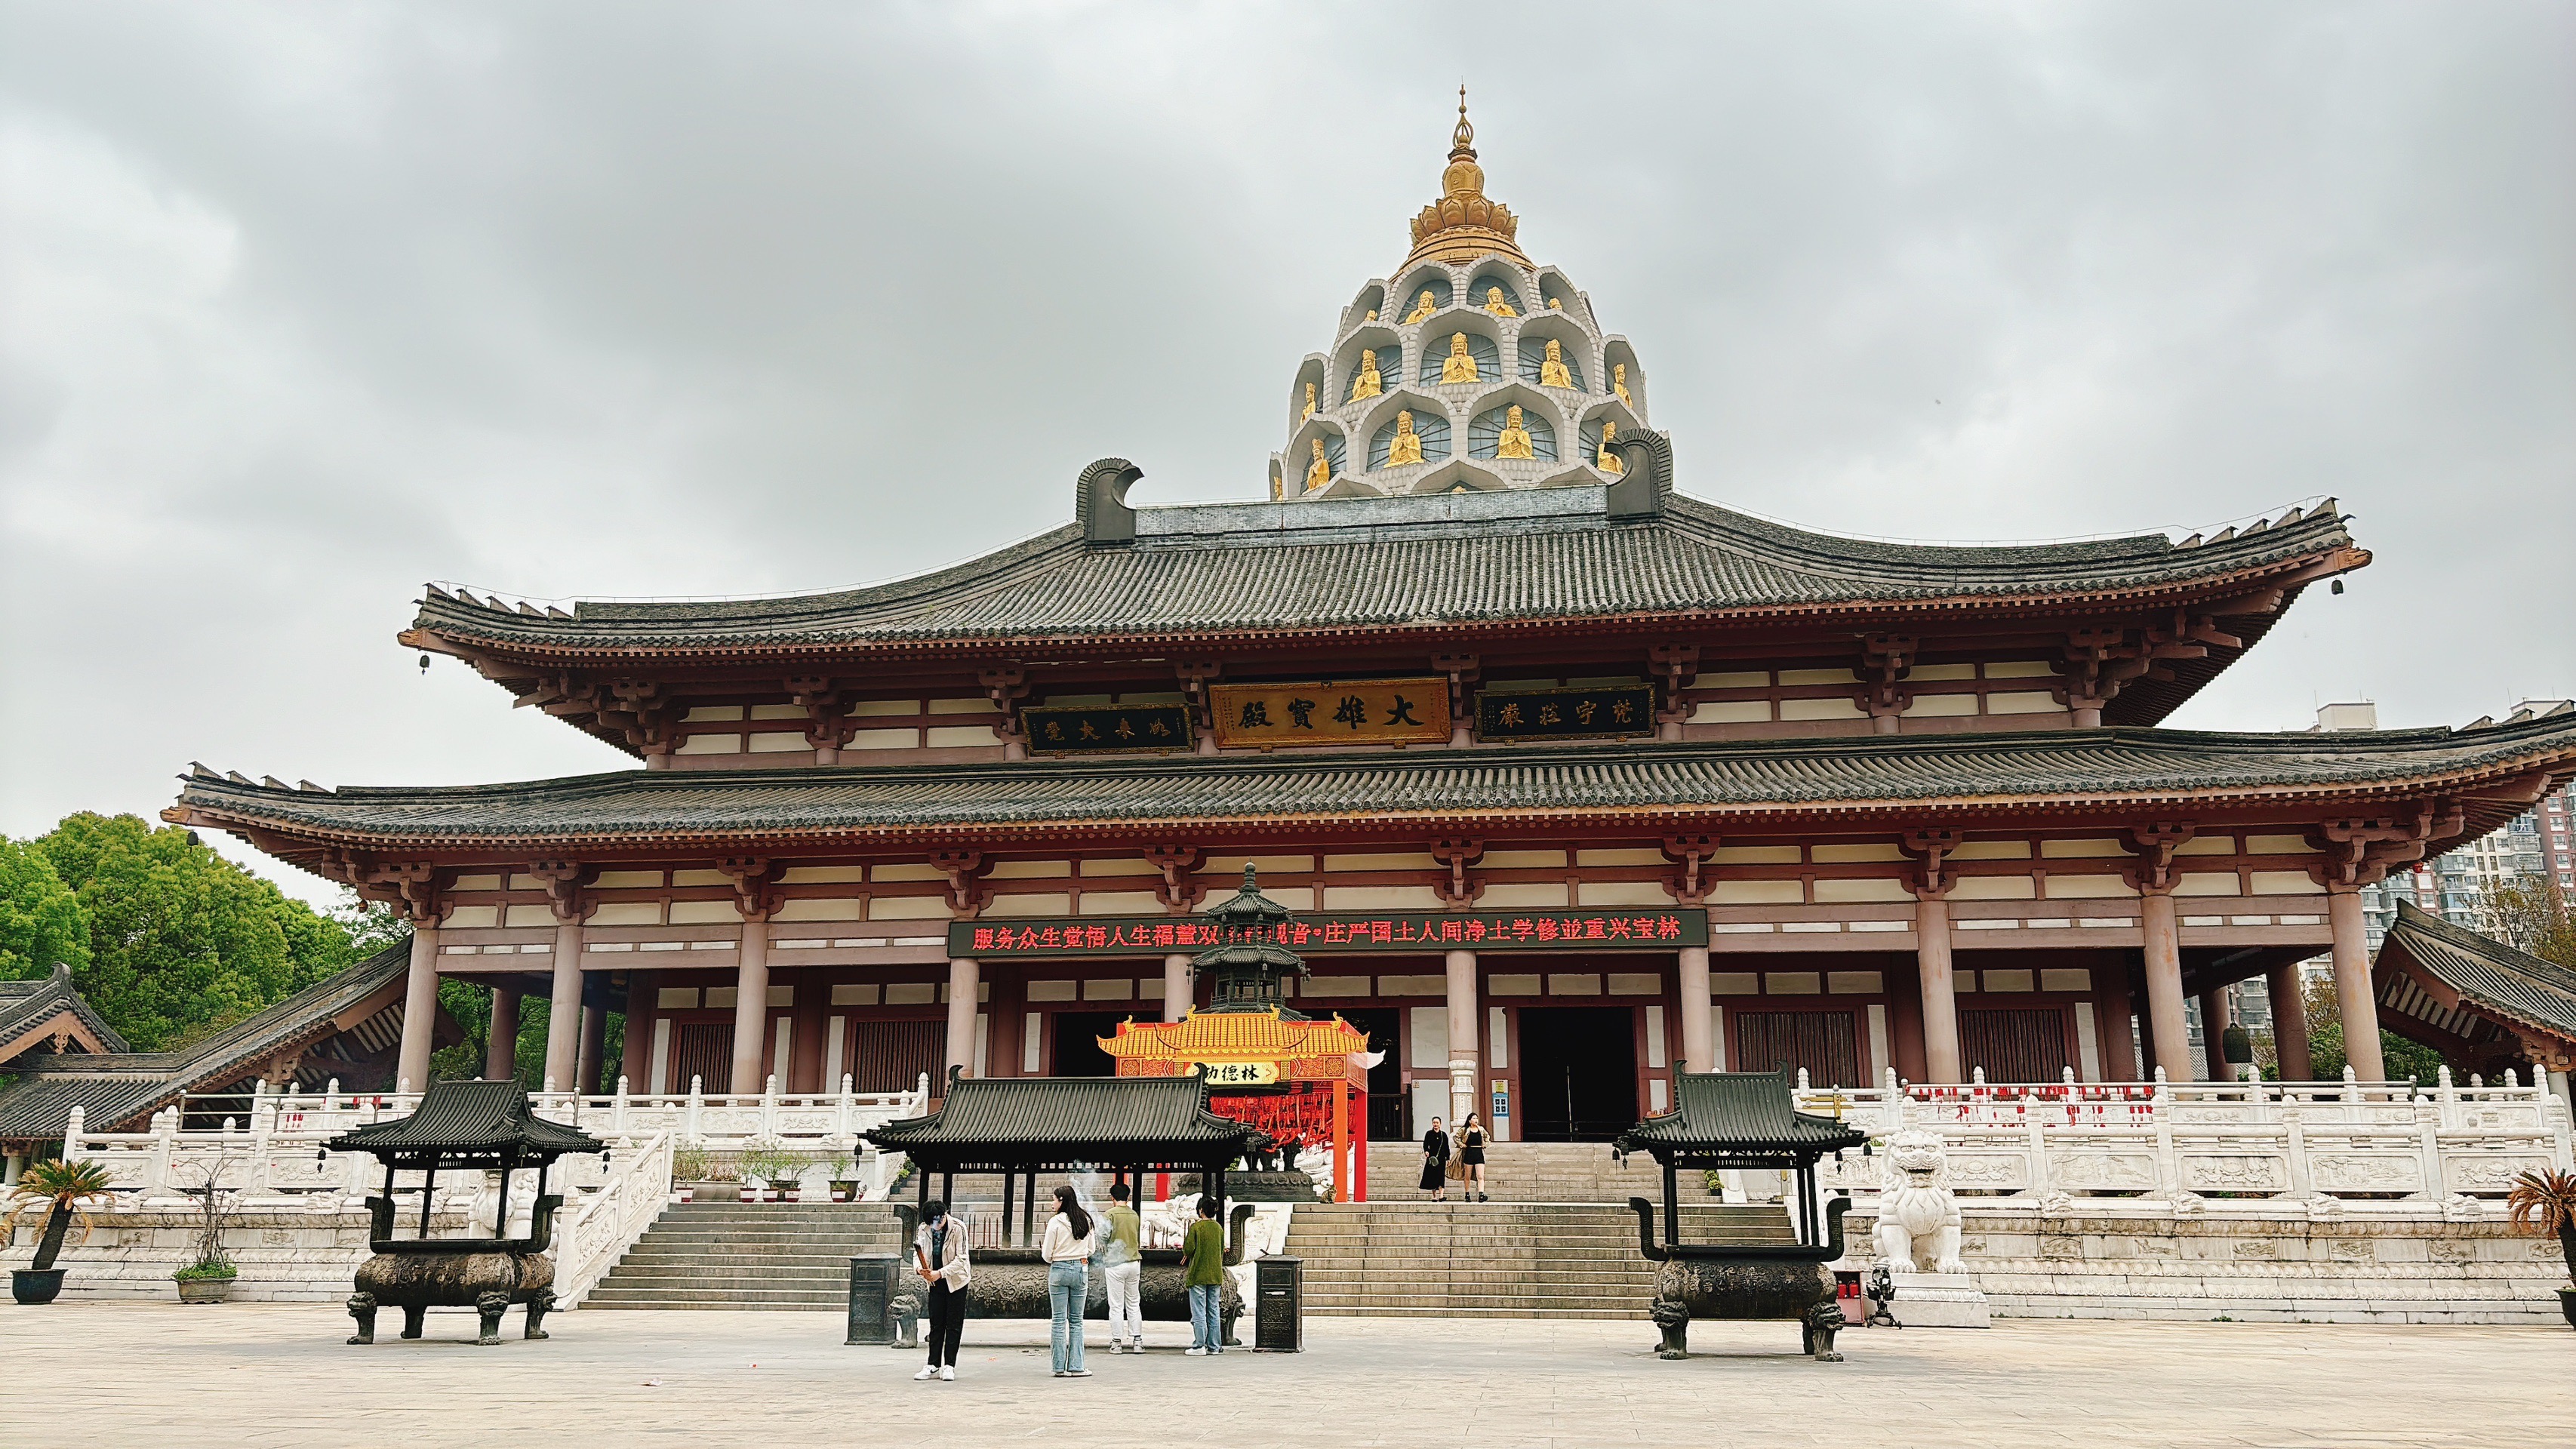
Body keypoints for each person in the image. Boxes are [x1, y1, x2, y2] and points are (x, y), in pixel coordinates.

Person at [910, 1198, 971, 1382]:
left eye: (937, 1221)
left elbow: (962, 1259)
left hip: (955, 1280)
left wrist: (941, 1273)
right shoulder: (924, 1228)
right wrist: (919, 1269)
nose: (935, 1226)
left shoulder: (958, 1228)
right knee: (936, 1323)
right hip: (933, 1281)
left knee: (953, 1324)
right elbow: (917, 1252)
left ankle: (949, 1365)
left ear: (944, 1216)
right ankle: (933, 1363)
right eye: (931, 1222)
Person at [1041, 1184, 1096, 1378]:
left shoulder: (1055, 1223)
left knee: (1058, 1320)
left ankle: (1058, 1367)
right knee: (1076, 1320)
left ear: (1062, 1200)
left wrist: (1059, 1257)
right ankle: (1077, 1366)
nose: (1052, 1203)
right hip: (1081, 1268)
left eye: (1054, 1199)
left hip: (1059, 1269)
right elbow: (1092, 1249)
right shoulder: (1086, 1220)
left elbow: (1047, 1254)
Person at [1100, 1182, 1143, 1353]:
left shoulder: (1109, 1214)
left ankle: (1117, 1343)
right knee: (1134, 1303)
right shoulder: (1134, 1215)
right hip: (1134, 1263)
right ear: (1128, 1197)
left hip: (1115, 1264)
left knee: (1117, 1305)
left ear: (1112, 1198)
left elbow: (1103, 1235)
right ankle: (1138, 1342)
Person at [1182, 1194, 1226, 1356]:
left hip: (1199, 1274)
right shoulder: (1218, 1228)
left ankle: (1199, 1345)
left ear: (1201, 1210)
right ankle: (1214, 1346)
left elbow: (1188, 1249)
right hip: (1215, 1275)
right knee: (1213, 1310)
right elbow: (1221, 1249)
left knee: (1199, 1311)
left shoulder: (1196, 1228)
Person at [1458, 1112, 1490, 1202]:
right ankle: (1467, 1194)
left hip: (1479, 1153)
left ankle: (1481, 1194)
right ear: (1469, 1121)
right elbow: (1456, 1137)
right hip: (1469, 1153)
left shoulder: (1481, 1129)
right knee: (1467, 1176)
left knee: (1480, 1176)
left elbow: (1487, 1137)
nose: (1476, 1120)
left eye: (1477, 1118)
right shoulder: (1465, 1130)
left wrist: (1486, 1144)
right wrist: (1462, 1145)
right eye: (1474, 1119)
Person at [1419, 1116, 1451, 1201]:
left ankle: (1441, 1195)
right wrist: (1426, 1151)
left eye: (1437, 1123)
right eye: (1434, 1122)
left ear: (1440, 1124)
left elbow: (1446, 1147)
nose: (1435, 1124)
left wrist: (1448, 1158)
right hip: (1432, 1158)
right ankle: (1434, 1196)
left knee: (1441, 1176)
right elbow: (1426, 1144)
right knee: (1432, 1175)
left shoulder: (1443, 1135)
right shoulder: (1429, 1134)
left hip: (1441, 1158)